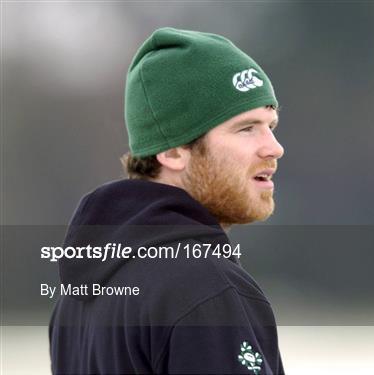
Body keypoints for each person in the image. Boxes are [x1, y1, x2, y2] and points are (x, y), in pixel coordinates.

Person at [49, 27, 285, 374]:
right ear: (174, 152)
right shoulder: (204, 288)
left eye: (271, 125)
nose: (274, 147)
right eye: (246, 128)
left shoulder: (79, 298)